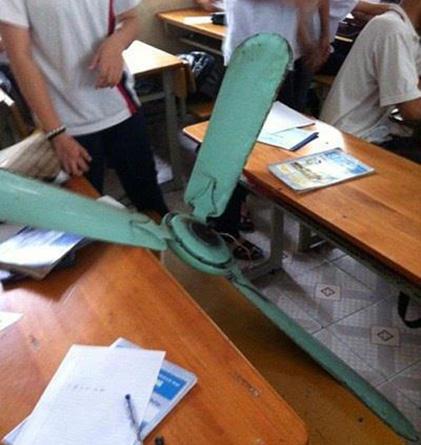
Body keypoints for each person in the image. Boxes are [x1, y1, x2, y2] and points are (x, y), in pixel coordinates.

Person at [0, 0, 168, 216]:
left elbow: (131, 20)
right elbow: (20, 57)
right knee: (87, 214)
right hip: (66, 124)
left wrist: (116, 44)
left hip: (120, 107)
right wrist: (56, 133)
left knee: (150, 200)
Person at [320, 0, 421, 163]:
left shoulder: (409, 33)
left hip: (373, 131)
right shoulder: (392, 29)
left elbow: (415, 89)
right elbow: (412, 111)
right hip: (353, 137)